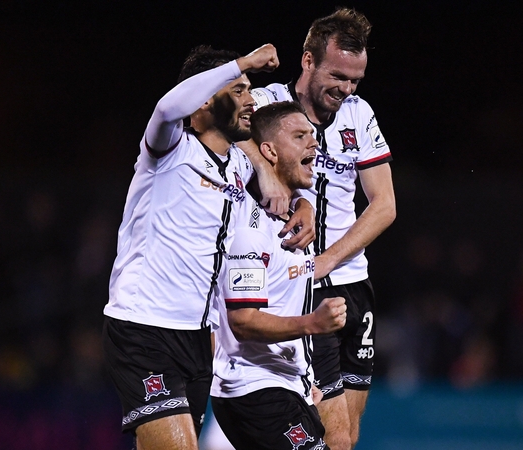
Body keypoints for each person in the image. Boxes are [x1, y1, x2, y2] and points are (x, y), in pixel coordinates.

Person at [101, 44, 315, 450]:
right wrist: (244, 63)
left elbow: (281, 193)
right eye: (238, 90)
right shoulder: (168, 149)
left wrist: (304, 203)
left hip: (198, 339)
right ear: (200, 103)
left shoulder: (238, 165)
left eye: (249, 89)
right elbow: (167, 107)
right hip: (144, 327)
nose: (250, 99)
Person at [251, 8, 396, 448]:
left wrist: (328, 260)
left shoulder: (358, 113)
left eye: (355, 80)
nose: (346, 89)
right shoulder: (267, 102)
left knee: (348, 437)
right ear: (308, 60)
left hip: (353, 283)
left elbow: (384, 205)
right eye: (338, 76)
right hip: (300, 289)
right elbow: (213, 122)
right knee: (329, 438)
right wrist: (267, 170)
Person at [211, 101, 347, 450]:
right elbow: (242, 319)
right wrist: (311, 324)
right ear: (269, 150)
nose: (312, 144)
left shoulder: (294, 218)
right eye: (299, 136)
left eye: (312, 136)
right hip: (253, 389)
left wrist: (302, 375)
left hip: (285, 385)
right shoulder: (251, 228)